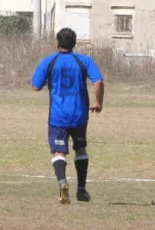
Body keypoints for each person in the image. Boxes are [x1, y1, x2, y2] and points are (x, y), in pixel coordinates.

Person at [31, 28, 104, 204]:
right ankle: (81, 190)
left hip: (58, 116)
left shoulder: (49, 61)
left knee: (58, 151)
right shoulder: (84, 61)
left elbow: (35, 86)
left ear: (57, 43)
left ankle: (62, 183)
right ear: (74, 43)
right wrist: (98, 102)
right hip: (79, 115)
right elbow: (98, 81)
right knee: (80, 149)